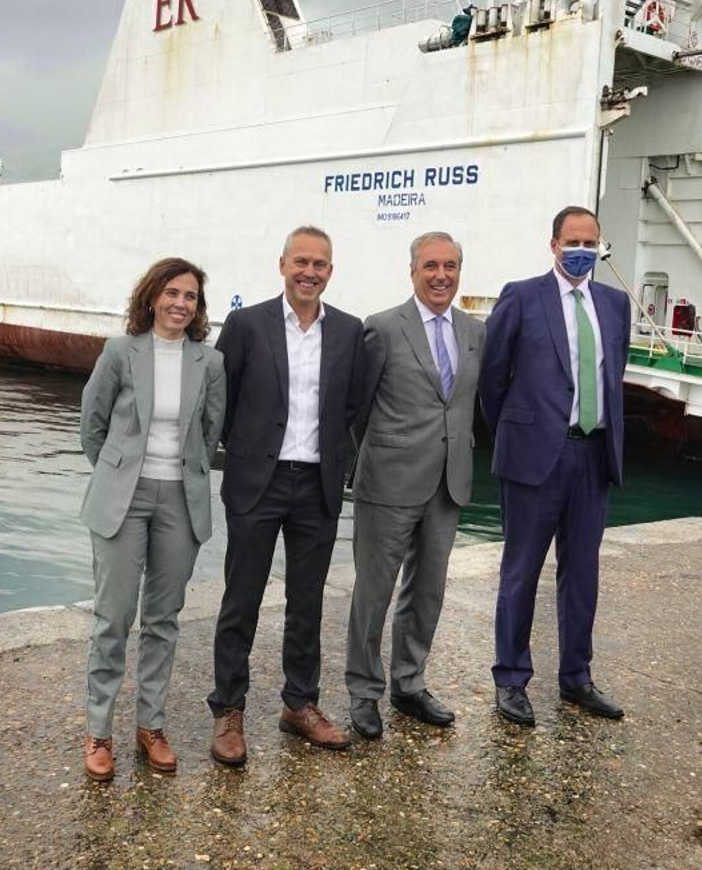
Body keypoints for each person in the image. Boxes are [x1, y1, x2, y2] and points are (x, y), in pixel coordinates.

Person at [206, 226, 365, 765]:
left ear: (330, 272)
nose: (310, 272)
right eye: (301, 261)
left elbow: (351, 406)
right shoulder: (247, 324)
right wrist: (247, 452)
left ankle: (300, 704)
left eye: (320, 264)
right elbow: (221, 399)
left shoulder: (347, 330)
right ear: (282, 265)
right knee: (241, 599)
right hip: (258, 482)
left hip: (317, 483)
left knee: (307, 601)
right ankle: (229, 710)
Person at [479, 206, 631, 725]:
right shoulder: (522, 296)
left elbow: (614, 377)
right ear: (553, 244)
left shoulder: (614, 305)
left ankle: (577, 679)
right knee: (520, 572)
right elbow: (492, 378)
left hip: (593, 455)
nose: (582, 250)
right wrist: (518, 433)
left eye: (591, 242)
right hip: (533, 457)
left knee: (582, 573)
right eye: (573, 241)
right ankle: (512, 680)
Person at [78, 258, 226, 781]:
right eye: (172, 293)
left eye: (190, 296)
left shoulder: (209, 363)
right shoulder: (120, 352)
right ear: (152, 298)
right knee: (113, 618)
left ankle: (151, 726)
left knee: (163, 619)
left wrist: (175, 475)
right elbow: (92, 425)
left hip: (180, 500)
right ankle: (99, 731)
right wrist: (119, 475)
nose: (181, 304)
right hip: (124, 496)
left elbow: (209, 436)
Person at [345, 232, 485, 738]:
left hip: (449, 483)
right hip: (388, 480)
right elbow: (357, 410)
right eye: (430, 266)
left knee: (427, 591)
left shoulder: (474, 331)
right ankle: (363, 691)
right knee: (374, 592)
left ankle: (409, 682)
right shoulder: (382, 328)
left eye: (449, 265)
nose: (440, 275)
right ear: (412, 271)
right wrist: (382, 455)